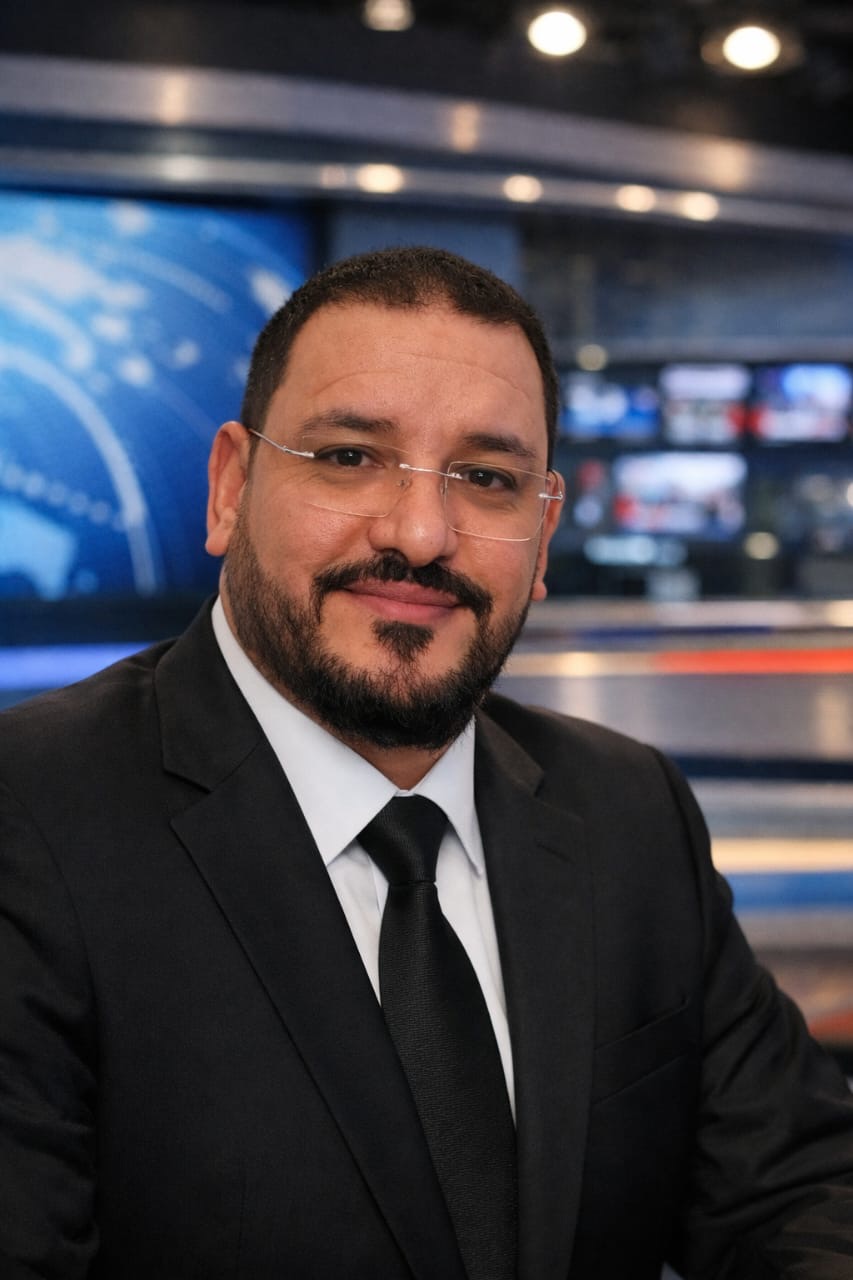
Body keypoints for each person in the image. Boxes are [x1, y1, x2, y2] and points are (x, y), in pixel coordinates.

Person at [1, 245, 851, 1280]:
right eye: (348, 457)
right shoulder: (30, 818)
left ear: (542, 533)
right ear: (231, 488)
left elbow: (798, 1190)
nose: (419, 532)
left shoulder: (629, 809)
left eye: (485, 478)